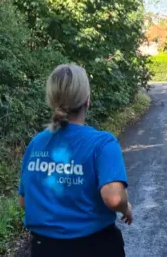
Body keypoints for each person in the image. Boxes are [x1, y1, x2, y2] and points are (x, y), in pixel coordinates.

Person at [18, 64, 132, 257]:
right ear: (87, 101)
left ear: (51, 100)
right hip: (94, 247)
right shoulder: (102, 143)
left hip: (43, 248)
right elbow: (114, 198)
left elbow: (24, 202)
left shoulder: (36, 144)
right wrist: (126, 208)